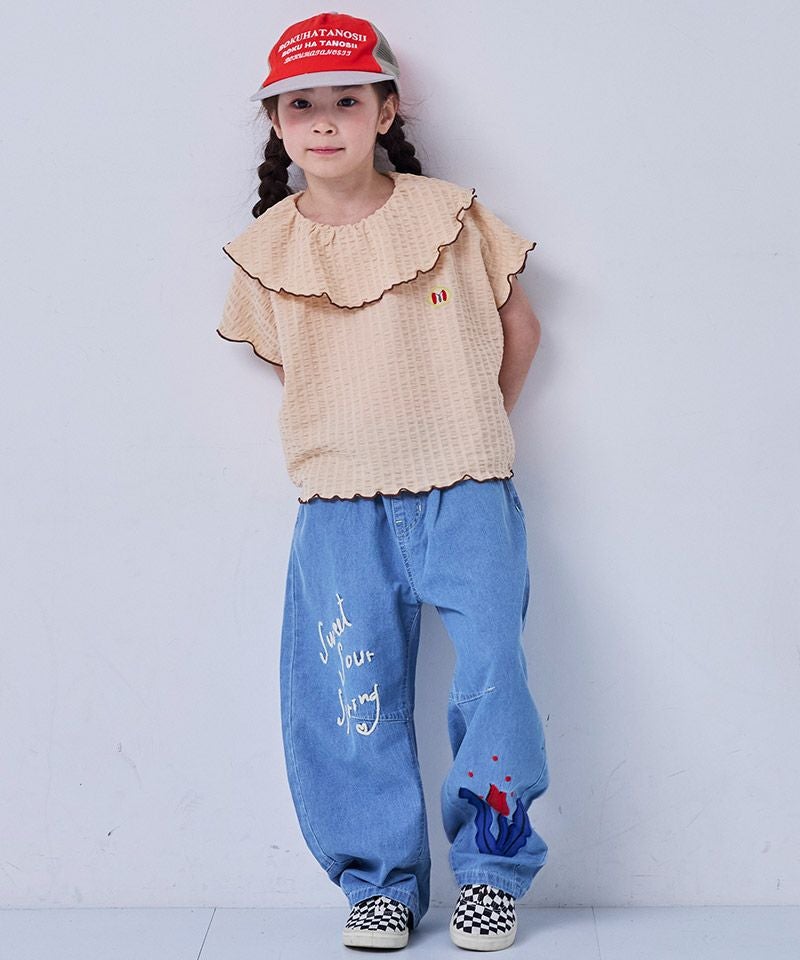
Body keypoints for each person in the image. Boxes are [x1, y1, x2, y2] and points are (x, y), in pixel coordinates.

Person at [217, 11, 549, 952]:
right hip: (339, 505)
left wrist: (469, 428)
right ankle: (381, 885)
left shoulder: (452, 215)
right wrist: (360, 432)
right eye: (301, 105)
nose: (325, 121)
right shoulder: (266, 253)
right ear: (276, 122)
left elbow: (520, 329)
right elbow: (291, 364)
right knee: (348, 692)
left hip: (467, 491)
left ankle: (491, 873)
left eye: (347, 101)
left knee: (492, 676)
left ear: (386, 110)